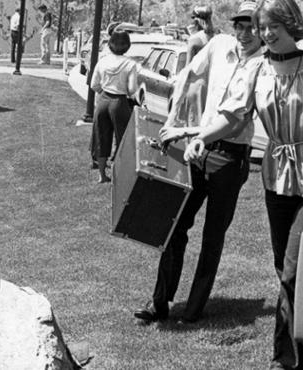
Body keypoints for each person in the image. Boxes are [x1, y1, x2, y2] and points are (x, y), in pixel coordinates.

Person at [181, 0, 303, 368]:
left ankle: (283, 359)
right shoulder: (257, 69)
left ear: (291, 24)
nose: (265, 33)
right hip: (277, 180)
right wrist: (203, 137)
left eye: (273, 25)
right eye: (262, 27)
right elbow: (233, 116)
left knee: (294, 268)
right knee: (285, 268)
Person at [133, 0, 263, 325]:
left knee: (212, 236)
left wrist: (189, 131)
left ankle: (193, 310)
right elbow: (189, 76)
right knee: (174, 224)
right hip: (198, 148)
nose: (245, 33)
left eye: (253, 26)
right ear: (232, 26)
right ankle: (159, 303)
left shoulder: (263, 65)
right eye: (240, 25)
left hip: (228, 158)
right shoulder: (218, 45)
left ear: (263, 30)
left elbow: (233, 119)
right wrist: (173, 116)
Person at [89, 30, 138, 183]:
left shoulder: (102, 61)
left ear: (110, 44)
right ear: (127, 46)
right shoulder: (130, 64)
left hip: (103, 100)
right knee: (122, 138)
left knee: (101, 136)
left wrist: (103, 91)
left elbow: (93, 84)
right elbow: (131, 89)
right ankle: (119, 173)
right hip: (119, 102)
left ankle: (102, 174)